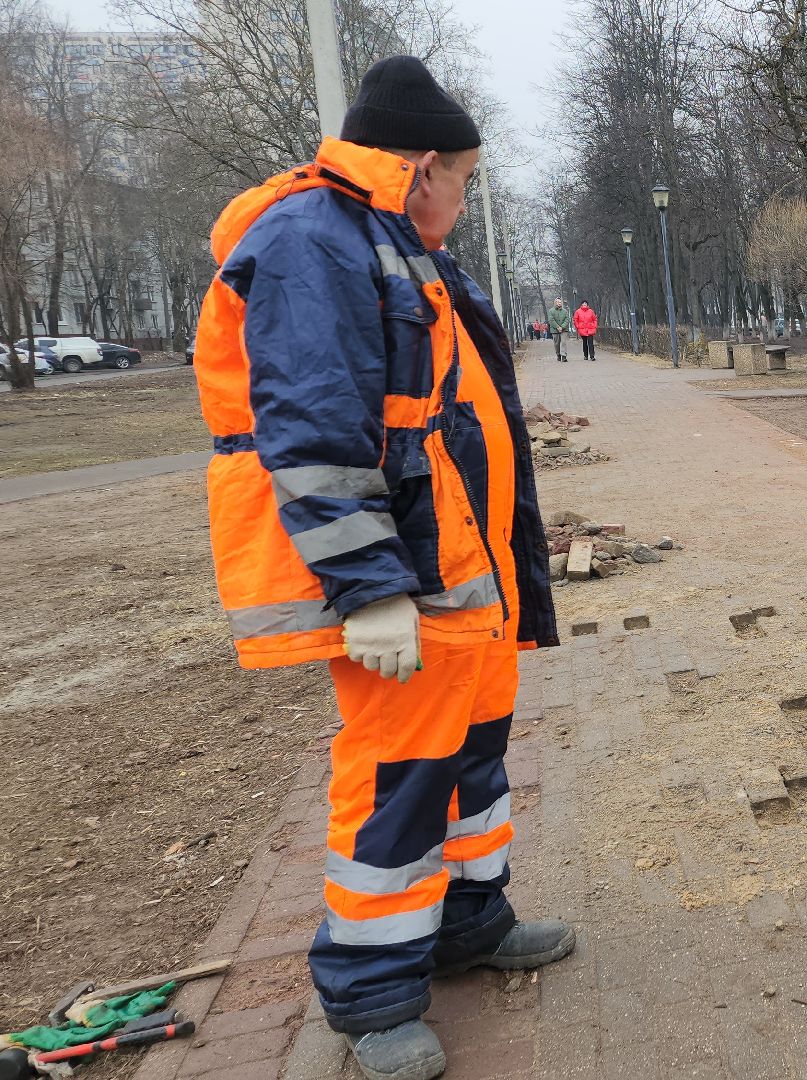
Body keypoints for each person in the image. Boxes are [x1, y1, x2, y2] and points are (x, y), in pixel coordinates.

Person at [192, 55, 569, 1080]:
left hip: (461, 579)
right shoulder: (318, 240)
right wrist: (369, 588)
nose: (468, 196)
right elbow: (315, 426)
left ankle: (469, 925)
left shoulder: (399, 244)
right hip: (405, 584)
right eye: (467, 179)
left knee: (473, 764)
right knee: (399, 779)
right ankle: (371, 997)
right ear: (424, 166)